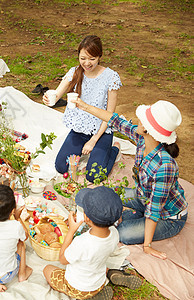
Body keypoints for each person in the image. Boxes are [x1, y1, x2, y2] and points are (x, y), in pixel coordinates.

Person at [74, 98, 188, 260]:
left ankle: (129, 218)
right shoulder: (143, 139)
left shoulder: (165, 166)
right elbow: (115, 120)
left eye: (144, 120)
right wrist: (85, 106)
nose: (139, 120)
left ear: (148, 130)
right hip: (142, 197)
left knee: (123, 233)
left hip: (167, 216)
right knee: (92, 196)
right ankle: (129, 215)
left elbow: (154, 210)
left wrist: (147, 246)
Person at [43, 35, 121, 182]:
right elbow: (57, 93)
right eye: (83, 58)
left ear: (99, 56)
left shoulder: (111, 77)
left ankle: (114, 150)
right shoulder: (74, 72)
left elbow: (109, 116)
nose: (87, 63)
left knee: (94, 176)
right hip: (79, 130)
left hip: (102, 131)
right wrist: (49, 99)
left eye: (92, 59)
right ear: (78, 56)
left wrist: (93, 140)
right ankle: (89, 151)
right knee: (61, 166)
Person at [43, 186, 141, 300]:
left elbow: (62, 259)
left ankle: (88, 297)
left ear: (86, 217)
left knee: (47, 269)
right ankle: (110, 274)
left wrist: (71, 231)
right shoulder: (114, 233)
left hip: (77, 288)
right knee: (95, 264)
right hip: (98, 283)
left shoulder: (82, 242)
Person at [0, 185, 32, 292]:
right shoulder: (15, 226)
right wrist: (18, 218)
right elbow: (25, 236)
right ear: (13, 210)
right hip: (5, 275)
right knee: (21, 244)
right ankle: (22, 274)